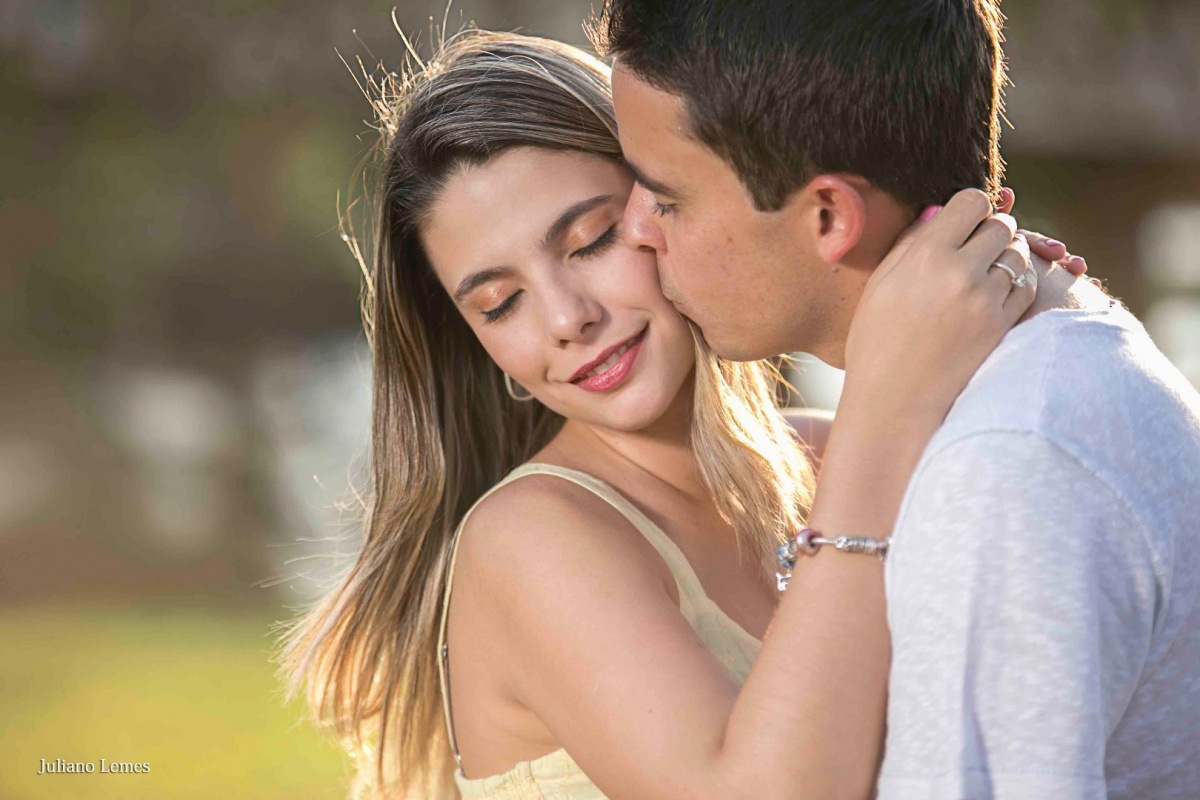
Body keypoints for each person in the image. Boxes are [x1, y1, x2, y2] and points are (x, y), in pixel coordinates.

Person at [276, 30, 1085, 800]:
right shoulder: (532, 536)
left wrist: (1010, 295)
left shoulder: (838, 461)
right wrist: (886, 395)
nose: (565, 317)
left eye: (589, 240)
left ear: (669, 205)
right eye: (500, 303)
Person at [593, 0, 1200, 797]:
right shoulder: (1058, 361)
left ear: (827, 216)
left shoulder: (1002, 470)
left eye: (667, 197)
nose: (634, 227)